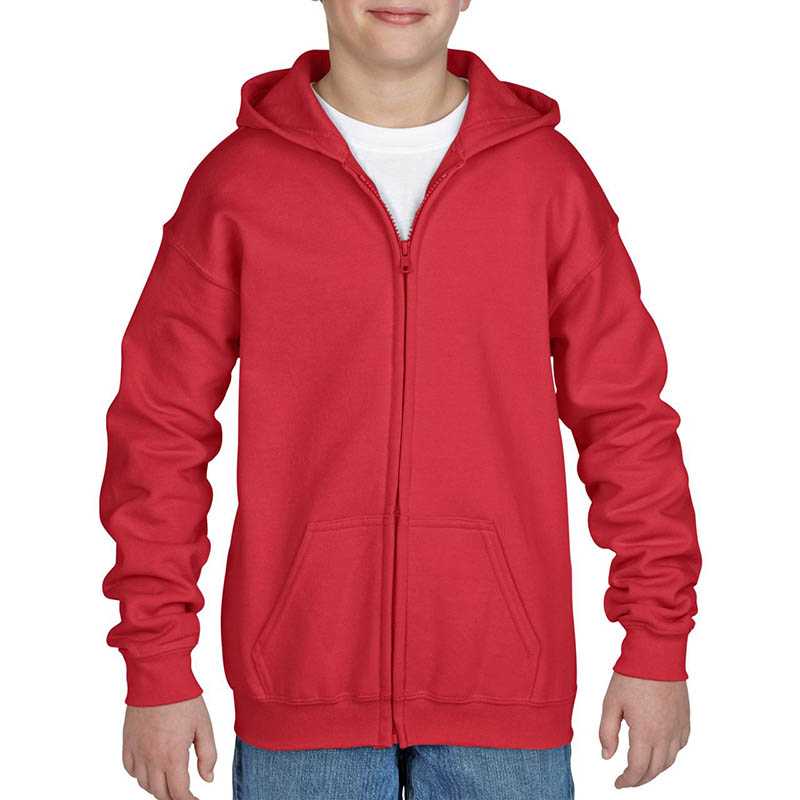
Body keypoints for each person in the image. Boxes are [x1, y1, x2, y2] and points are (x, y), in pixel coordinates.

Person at [100, 2, 702, 798]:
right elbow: (159, 430)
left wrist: (656, 642)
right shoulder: (237, 186)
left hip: (503, 693)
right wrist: (156, 664)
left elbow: (626, 421)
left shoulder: (547, 181)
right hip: (303, 695)